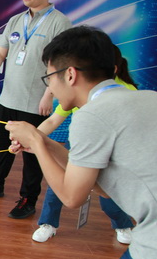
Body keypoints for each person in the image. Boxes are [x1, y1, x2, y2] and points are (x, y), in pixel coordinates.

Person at [6, 26, 157, 259]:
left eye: (49, 78)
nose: (51, 89)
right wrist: (46, 144)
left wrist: (37, 143)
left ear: (69, 74)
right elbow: (102, 184)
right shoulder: (143, 98)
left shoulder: (93, 115)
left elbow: (72, 197)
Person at [0, 0, 71, 219]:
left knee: (32, 154)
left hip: (36, 101)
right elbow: (1, 52)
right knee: (3, 146)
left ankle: (28, 198)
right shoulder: (16, 20)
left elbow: (61, 64)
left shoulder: (60, 23)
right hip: (9, 98)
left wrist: (48, 95)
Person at [31, 46, 136, 244]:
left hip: (111, 151)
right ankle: (48, 223)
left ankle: (122, 225)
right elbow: (53, 120)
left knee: (108, 194)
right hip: (78, 143)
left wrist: (35, 141)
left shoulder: (127, 93)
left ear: (113, 69)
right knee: (58, 184)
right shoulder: (78, 91)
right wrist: (32, 137)